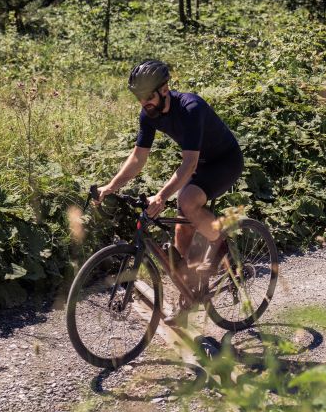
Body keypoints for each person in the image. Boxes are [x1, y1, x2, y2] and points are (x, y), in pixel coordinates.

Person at [97, 59, 244, 320]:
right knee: (181, 228)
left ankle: (223, 245)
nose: (143, 102)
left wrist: (162, 196)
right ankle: (188, 296)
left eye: (147, 95)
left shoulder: (190, 107)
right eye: (139, 97)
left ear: (164, 89)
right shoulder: (148, 115)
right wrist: (111, 185)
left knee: (186, 202)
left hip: (225, 161)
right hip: (200, 163)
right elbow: (138, 158)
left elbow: (190, 163)